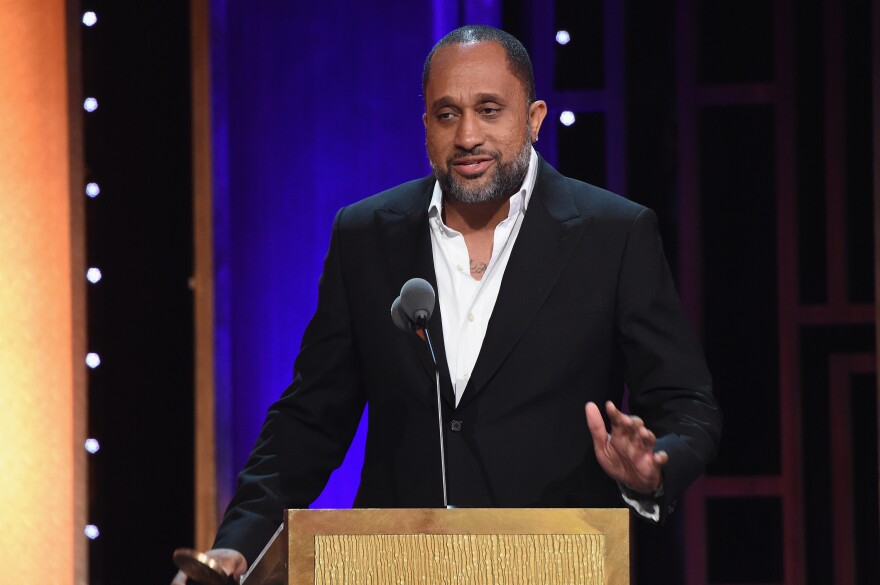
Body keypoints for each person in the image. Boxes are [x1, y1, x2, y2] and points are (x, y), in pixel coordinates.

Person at [171, 24, 720, 584]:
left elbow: (687, 405)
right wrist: (240, 541)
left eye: (489, 110)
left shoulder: (612, 234)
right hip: (390, 567)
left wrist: (652, 472)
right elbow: (310, 418)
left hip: (556, 563)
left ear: (533, 119)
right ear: (426, 127)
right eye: (447, 114)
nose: (467, 136)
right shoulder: (367, 236)